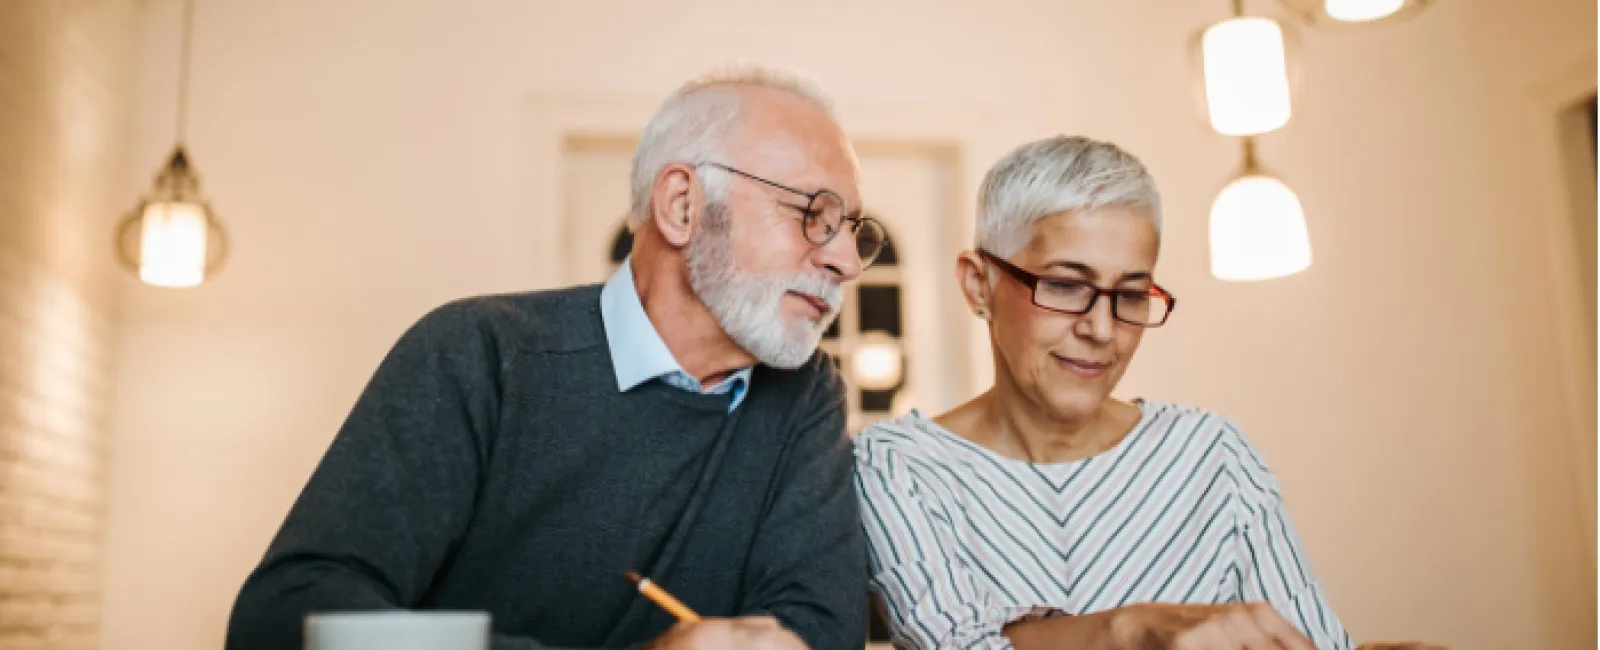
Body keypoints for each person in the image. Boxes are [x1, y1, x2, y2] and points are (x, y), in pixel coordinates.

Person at [226, 65, 890, 650]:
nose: (845, 260)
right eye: (813, 213)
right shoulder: (479, 354)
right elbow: (282, 621)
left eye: (853, 229)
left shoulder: (805, 396)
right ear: (683, 206)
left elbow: (816, 637)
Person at [853, 136, 1443, 650]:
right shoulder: (899, 464)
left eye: (1130, 295)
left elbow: (1304, 640)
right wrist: (1130, 630)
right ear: (979, 285)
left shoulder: (1211, 452)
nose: (1102, 329)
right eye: (1065, 285)